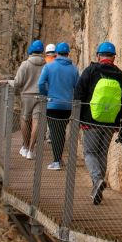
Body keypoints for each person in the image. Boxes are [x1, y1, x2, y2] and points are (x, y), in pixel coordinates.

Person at [73, 42, 122, 204]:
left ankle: (97, 179)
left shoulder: (91, 71)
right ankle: (97, 190)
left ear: (99, 56)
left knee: (89, 153)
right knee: (101, 154)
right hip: (111, 123)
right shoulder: (120, 75)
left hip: (89, 120)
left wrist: (76, 118)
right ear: (113, 57)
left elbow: (78, 94)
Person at [0, 40, 46, 159]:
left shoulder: (25, 64)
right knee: (37, 122)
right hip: (41, 96)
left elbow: (18, 82)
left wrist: (7, 81)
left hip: (27, 96)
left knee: (25, 119)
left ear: (31, 51)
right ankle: (31, 150)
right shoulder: (46, 64)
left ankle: (25, 147)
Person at [38, 42, 80, 170]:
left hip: (52, 104)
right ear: (68, 53)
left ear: (56, 53)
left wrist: (46, 93)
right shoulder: (74, 69)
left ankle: (56, 161)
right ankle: (59, 160)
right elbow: (77, 87)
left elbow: (41, 83)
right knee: (60, 131)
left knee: (55, 133)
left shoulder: (49, 67)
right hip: (67, 106)